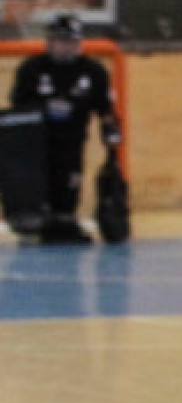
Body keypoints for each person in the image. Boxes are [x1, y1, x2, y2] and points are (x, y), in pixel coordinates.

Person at [8, 14, 123, 244]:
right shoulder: (32, 69)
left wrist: (111, 132)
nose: (66, 46)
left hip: (72, 139)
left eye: (71, 41)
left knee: (70, 181)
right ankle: (37, 222)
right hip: (38, 143)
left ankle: (66, 220)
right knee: (39, 183)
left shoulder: (93, 71)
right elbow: (18, 106)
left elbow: (105, 108)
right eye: (60, 41)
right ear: (50, 42)